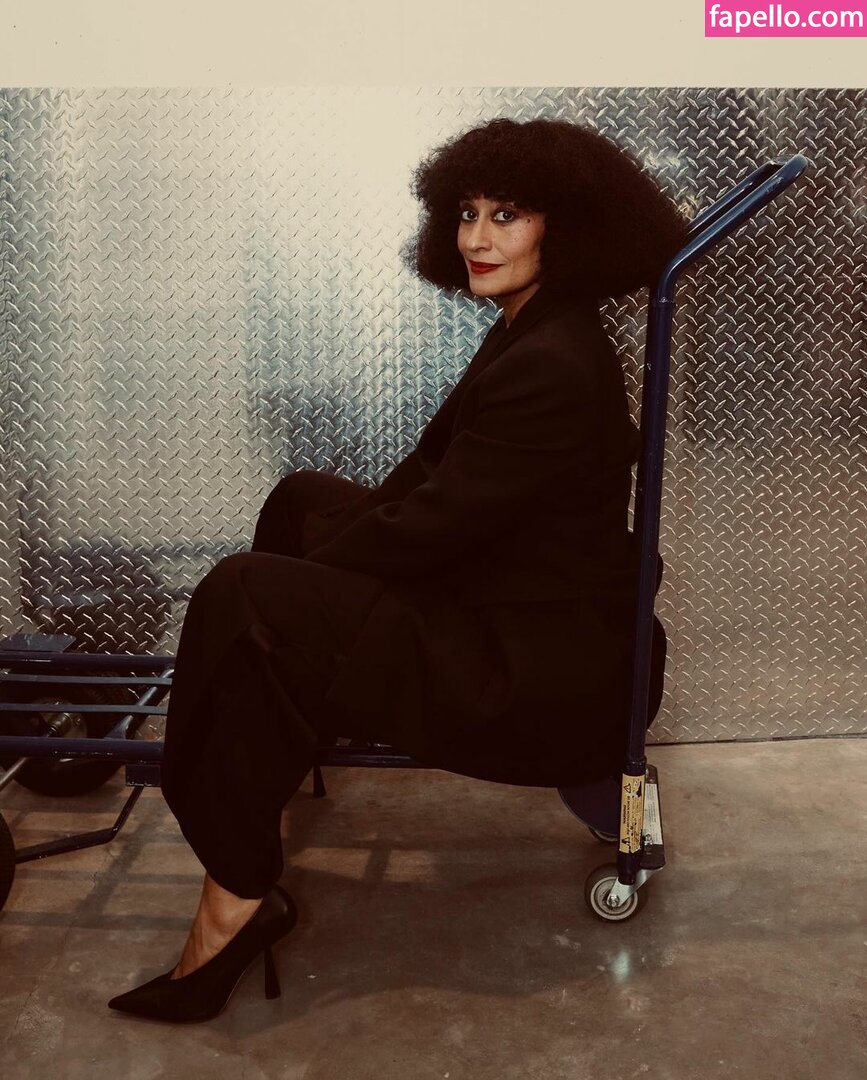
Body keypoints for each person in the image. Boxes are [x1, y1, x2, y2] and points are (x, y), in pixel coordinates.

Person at [108, 117, 689, 1022]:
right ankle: (270, 733)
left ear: (569, 229)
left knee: (241, 589)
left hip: (529, 674)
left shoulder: (551, 364)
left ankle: (235, 900)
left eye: (507, 215)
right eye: (466, 212)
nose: (475, 238)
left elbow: (429, 529)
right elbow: (429, 483)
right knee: (302, 499)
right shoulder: (535, 327)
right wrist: (324, 553)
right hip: (516, 610)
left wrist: (308, 582)